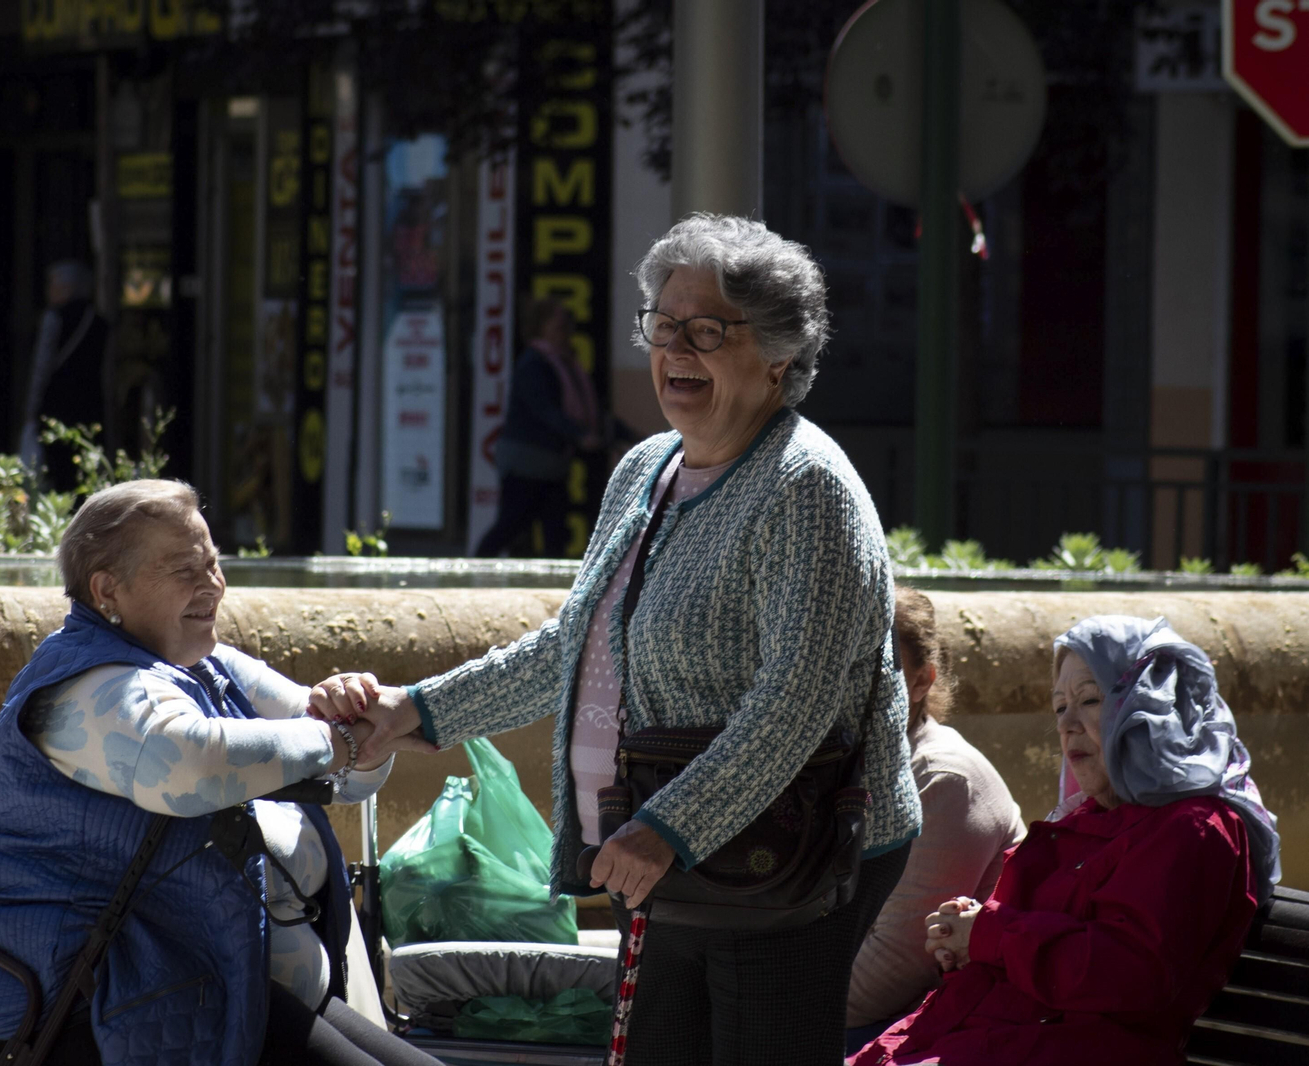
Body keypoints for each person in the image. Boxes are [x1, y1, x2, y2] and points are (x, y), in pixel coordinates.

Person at [357, 214, 923, 1066]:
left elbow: (795, 702)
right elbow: (572, 650)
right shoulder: (644, 469)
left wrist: (670, 828)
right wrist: (415, 711)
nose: (676, 349)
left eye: (708, 329)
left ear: (778, 357)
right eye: (664, 325)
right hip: (654, 850)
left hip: (783, 856)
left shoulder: (808, 488)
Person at [0, 479, 440, 1066]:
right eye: (185, 569)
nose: (211, 584)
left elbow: (344, 774)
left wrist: (355, 714)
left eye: (213, 563)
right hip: (108, 1004)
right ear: (108, 589)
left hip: (222, 982)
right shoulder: (85, 689)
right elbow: (190, 767)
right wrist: (337, 738)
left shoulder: (204, 662)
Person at [852, 615, 1282, 1066]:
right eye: (1060, 708)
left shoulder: (1195, 829)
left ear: (1153, 705)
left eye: (1091, 700)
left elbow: (1129, 974)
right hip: (973, 1040)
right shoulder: (1087, 818)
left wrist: (989, 936)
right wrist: (964, 937)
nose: (1068, 725)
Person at [844, 588, 1026, 1053]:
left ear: (923, 681)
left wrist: (764, 1006)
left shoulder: (944, 778)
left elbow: (891, 973)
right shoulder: (847, 763)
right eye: (846, 668)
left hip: (927, 1025)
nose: (858, 687)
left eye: (884, 672)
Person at [474, 297, 601, 558]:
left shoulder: (568, 363)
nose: (565, 330)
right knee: (510, 526)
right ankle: (473, 572)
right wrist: (581, 436)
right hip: (527, 465)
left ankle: (556, 594)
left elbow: (590, 412)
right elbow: (544, 410)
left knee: (555, 535)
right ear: (541, 327)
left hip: (553, 467)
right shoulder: (534, 363)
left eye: (567, 325)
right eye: (559, 325)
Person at [20, 260, 111, 488]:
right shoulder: (99, 321)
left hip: (57, 404)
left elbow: (41, 368)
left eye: (53, 285)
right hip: (90, 405)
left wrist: (31, 411)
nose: (49, 290)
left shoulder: (54, 318)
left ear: (67, 287)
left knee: (57, 469)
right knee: (84, 468)